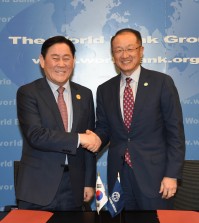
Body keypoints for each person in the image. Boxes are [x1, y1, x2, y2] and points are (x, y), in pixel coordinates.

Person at [88, 28, 185, 210]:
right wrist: (94, 139)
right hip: (119, 176)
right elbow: (105, 129)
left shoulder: (162, 82)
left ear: (141, 51)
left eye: (130, 49)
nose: (124, 55)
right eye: (118, 50)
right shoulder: (105, 89)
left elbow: (175, 133)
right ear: (113, 55)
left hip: (155, 176)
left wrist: (172, 175)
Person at [16, 36, 98, 211]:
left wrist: (88, 182)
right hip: (38, 188)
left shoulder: (85, 94)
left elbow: (89, 143)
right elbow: (36, 136)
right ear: (42, 61)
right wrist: (79, 138)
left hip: (74, 188)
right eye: (55, 58)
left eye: (66, 58)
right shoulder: (28, 93)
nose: (61, 64)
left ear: (74, 61)